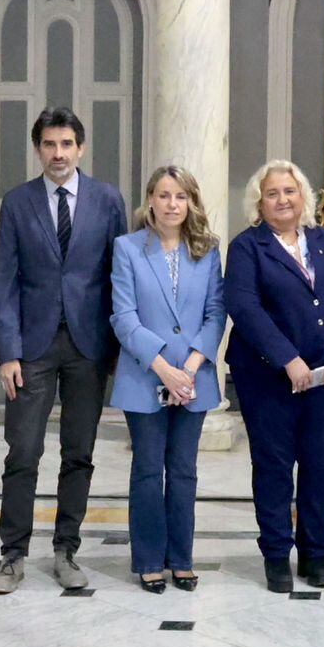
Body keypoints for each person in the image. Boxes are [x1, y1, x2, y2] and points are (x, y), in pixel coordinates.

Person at [0, 108, 126, 595]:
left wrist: (117, 346)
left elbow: (118, 276)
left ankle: (66, 548)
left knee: (79, 453)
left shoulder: (108, 200)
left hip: (89, 346)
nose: (58, 153)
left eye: (66, 144)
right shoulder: (18, 202)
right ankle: (12, 554)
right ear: (38, 149)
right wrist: (7, 351)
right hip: (32, 347)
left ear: (81, 148)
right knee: (22, 451)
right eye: (49, 144)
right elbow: (4, 281)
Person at [223, 160, 324, 593]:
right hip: (267, 380)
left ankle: (315, 553)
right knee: (274, 468)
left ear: (304, 197)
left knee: (322, 467)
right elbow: (244, 308)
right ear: (258, 203)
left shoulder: (323, 241)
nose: (282, 200)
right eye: (272, 193)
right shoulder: (247, 247)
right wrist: (287, 359)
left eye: (290, 191)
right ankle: (277, 555)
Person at [109, 166, 226, 593]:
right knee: (146, 470)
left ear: (191, 202)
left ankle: (181, 559)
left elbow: (216, 314)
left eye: (181, 196)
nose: (172, 204)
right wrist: (163, 368)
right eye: (164, 195)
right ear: (150, 200)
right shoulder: (127, 248)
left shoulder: (208, 250)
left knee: (183, 471)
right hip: (145, 377)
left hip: (194, 380)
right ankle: (147, 560)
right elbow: (123, 317)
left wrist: (190, 370)